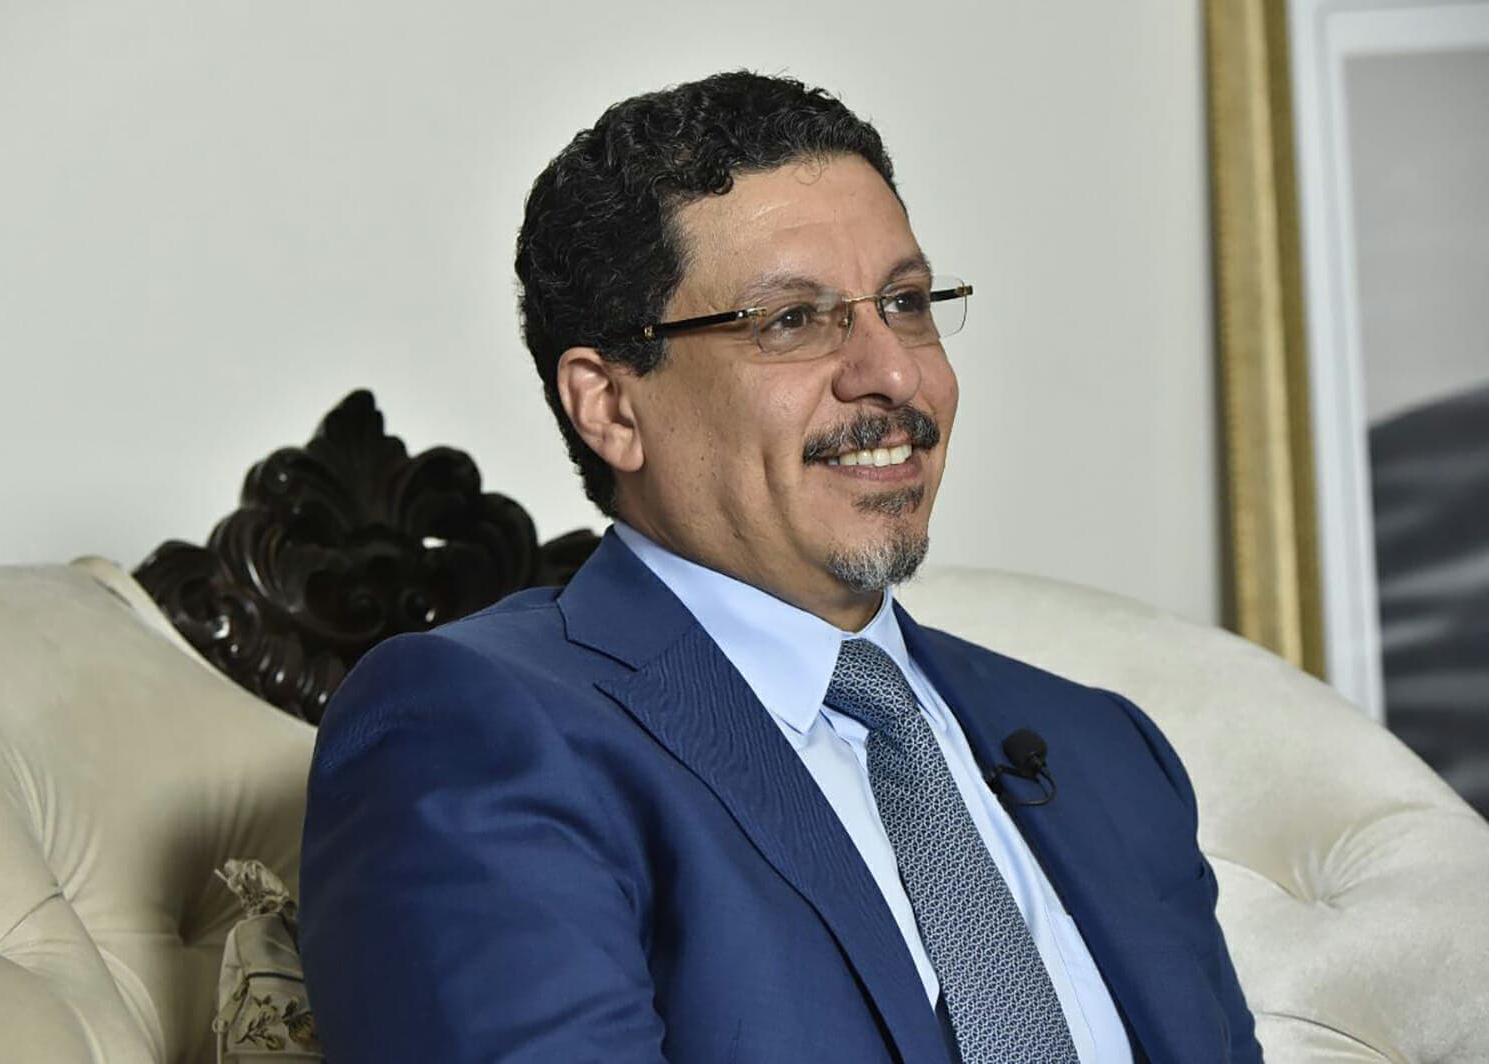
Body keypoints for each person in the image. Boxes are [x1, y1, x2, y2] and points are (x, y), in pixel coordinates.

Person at [299, 71, 1262, 1063]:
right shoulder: (472, 729)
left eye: (906, 303)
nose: (895, 373)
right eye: (792, 320)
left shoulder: (1104, 749)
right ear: (612, 407)